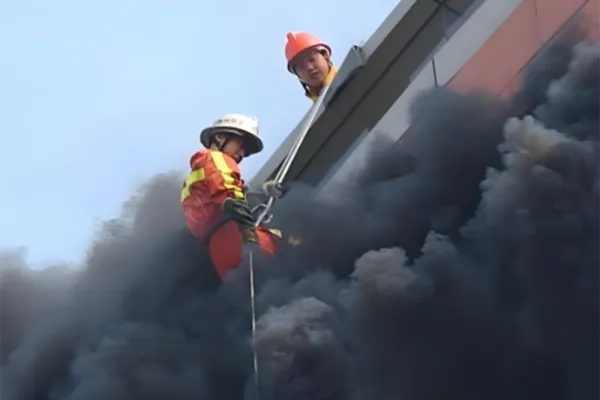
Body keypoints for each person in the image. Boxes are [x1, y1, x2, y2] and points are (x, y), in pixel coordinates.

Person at [180, 113, 282, 280]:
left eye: (245, 152)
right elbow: (229, 194)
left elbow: (222, 193)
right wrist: (247, 228)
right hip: (236, 235)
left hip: (219, 253)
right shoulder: (215, 158)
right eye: (240, 145)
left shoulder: (196, 175)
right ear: (220, 137)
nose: (241, 154)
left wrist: (261, 192)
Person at [285, 31, 337, 103]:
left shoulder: (354, 76)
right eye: (302, 67)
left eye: (312, 60)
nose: (310, 68)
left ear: (325, 56)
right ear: (299, 76)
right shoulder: (318, 113)